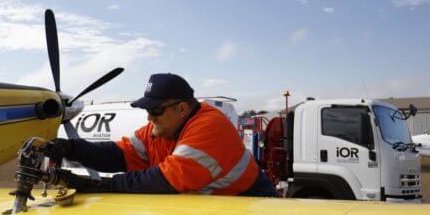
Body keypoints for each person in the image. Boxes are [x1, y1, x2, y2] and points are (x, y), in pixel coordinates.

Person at [44, 73, 277, 197]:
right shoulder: (161, 129)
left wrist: (97, 184)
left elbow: (165, 180)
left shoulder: (210, 126)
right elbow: (119, 154)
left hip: (252, 205)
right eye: (147, 110)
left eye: (156, 110)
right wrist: (71, 148)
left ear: (182, 108)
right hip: (219, 205)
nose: (149, 118)